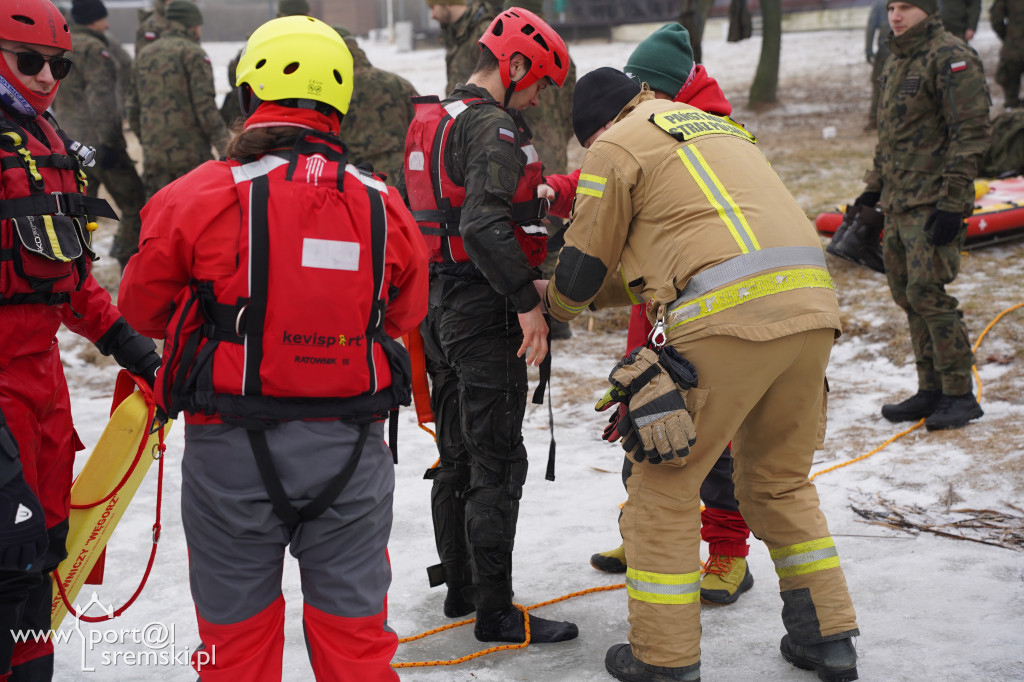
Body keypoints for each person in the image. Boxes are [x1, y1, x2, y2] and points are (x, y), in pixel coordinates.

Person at [118, 15, 428, 680]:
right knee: (357, 646)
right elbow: (407, 312)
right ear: (339, 103)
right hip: (352, 451)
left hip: (231, 451)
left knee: (234, 648)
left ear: (248, 94)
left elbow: (140, 307)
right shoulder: (386, 204)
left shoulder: (195, 195)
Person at [543, 66, 860, 682]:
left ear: (594, 131)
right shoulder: (713, 129)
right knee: (779, 484)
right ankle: (828, 640)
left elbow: (580, 271)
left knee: (663, 486)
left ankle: (662, 659)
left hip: (725, 320)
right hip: (813, 313)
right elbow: (680, 255)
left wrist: (548, 302)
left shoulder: (613, 147)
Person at [402, 7, 579, 644]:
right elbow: (481, 224)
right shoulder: (495, 127)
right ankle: (496, 613)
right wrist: (528, 304)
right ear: (516, 64)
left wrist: (548, 195)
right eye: (540, 84)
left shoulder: (437, 119)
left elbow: (456, 213)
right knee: (497, 464)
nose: (540, 97)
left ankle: (462, 587)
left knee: (456, 455)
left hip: (435, 308)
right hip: (482, 311)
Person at [0, 1, 162, 677]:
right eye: (28, 61)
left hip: (41, 387)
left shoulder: (47, 145)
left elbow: (67, 280)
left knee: (44, 551)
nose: (46, 77)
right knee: (8, 555)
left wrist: (133, 348)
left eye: (57, 65)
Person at [582, 23, 755, 608]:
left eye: (641, 91)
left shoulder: (714, 136)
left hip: (707, 315)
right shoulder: (648, 129)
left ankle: (729, 554)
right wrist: (558, 189)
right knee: (644, 421)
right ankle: (641, 534)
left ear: (661, 90)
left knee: (715, 444)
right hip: (652, 313)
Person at [856, 0, 990, 430]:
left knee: (929, 294)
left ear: (928, 11)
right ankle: (930, 388)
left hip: (934, 200)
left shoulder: (950, 56)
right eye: (891, 7)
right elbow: (891, 136)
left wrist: (952, 200)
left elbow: (971, 133)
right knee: (907, 295)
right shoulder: (897, 60)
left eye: (907, 7)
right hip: (899, 200)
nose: (896, 16)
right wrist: (873, 188)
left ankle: (959, 393)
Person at [503, 0, 578, 340]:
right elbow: (570, 106)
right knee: (545, 227)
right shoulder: (563, 55)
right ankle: (555, 313)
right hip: (546, 147)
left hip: (526, 146)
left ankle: (548, 310)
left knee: (537, 226)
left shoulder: (516, 51)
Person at [54, 0, 147, 268]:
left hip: (70, 143)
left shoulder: (62, 48)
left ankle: (75, 264)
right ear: (94, 19)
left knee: (79, 209)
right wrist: (109, 144)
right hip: (100, 146)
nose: (106, 25)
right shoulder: (94, 49)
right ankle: (125, 256)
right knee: (136, 204)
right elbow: (101, 101)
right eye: (103, 19)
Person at [128, 0, 227, 200]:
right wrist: (227, 148)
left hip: (155, 158)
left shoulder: (144, 55)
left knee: (159, 213)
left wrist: (150, 142)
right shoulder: (193, 53)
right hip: (191, 158)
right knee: (195, 213)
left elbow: (133, 109)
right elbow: (205, 109)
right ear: (192, 25)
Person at [336, 27, 419, 183]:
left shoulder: (333, 89)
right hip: (401, 175)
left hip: (355, 177)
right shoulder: (397, 83)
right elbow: (423, 128)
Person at [219, 0, 310, 128]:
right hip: (308, 116)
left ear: (279, 17)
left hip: (264, 118)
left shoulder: (266, 40)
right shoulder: (316, 43)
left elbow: (236, 77)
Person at [426, 0, 495, 96]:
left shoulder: (483, 31)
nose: (432, 15)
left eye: (432, 8)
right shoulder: (454, 34)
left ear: (447, 3)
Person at [991, 0, 1024, 109]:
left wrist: (1009, 38)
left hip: (1014, 48)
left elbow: (996, 18)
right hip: (1014, 48)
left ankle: (1012, 111)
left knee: (1011, 99)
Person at [865, 0, 892, 130]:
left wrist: (868, 49)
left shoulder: (880, 3)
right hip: (892, 50)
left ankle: (875, 119)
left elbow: (871, 27)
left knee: (878, 84)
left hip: (886, 50)